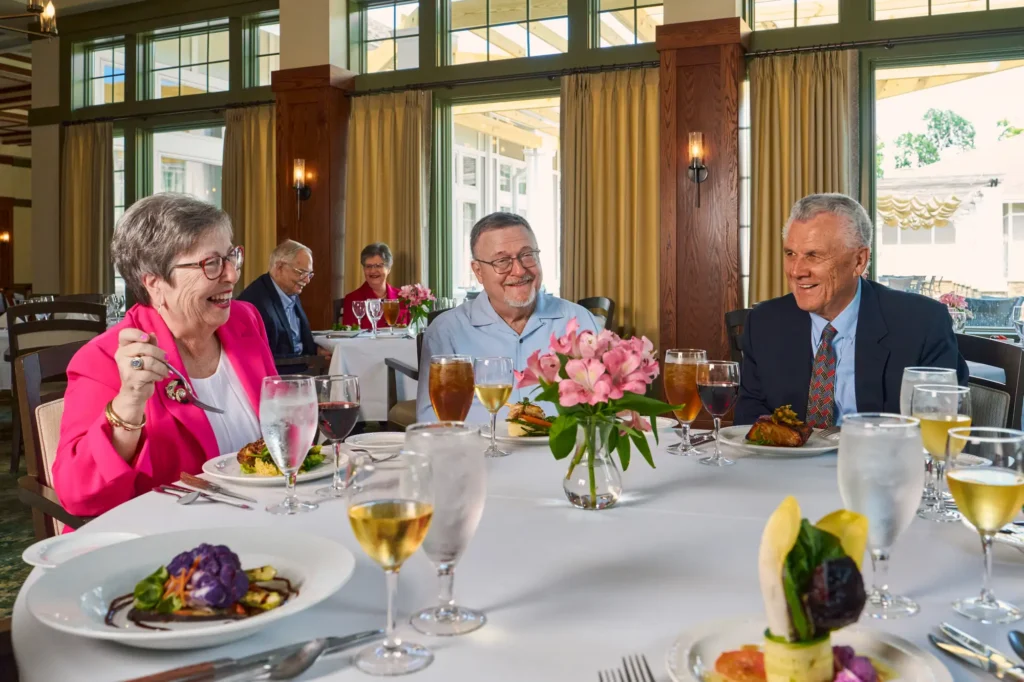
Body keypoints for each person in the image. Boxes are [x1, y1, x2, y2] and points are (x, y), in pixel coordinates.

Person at [54, 193, 277, 518]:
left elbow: (279, 428)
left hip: (259, 515)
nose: (231, 275)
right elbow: (78, 495)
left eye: (231, 256)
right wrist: (128, 403)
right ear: (155, 283)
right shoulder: (105, 359)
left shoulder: (245, 320)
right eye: (211, 263)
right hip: (170, 538)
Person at [735, 193, 968, 426]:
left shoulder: (922, 324)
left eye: (813, 255)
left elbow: (939, 429)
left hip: (883, 458)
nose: (797, 271)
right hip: (789, 462)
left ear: (859, 261)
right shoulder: (765, 323)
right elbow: (749, 421)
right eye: (790, 254)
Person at [416, 212, 599, 423]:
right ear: (478, 271)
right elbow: (432, 418)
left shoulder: (578, 320)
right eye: (502, 261)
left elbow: (609, 402)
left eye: (528, 255)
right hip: (479, 452)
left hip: (562, 452)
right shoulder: (447, 331)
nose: (520, 270)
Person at [237, 240, 325, 360]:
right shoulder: (255, 302)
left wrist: (317, 351)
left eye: (309, 274)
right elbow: (261, 357)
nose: (307, 280)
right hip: (281, 372)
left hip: (302, 364)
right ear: (279, 267)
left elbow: (296, 341)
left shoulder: (289, 290)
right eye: (301, 272)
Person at [342, 242, 409, 329]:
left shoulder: (403, 297)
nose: (373, 271)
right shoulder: (352, 299)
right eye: (368, 266)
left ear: (389, 269)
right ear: (363, 269)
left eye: (378, 266)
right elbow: (348, 337)